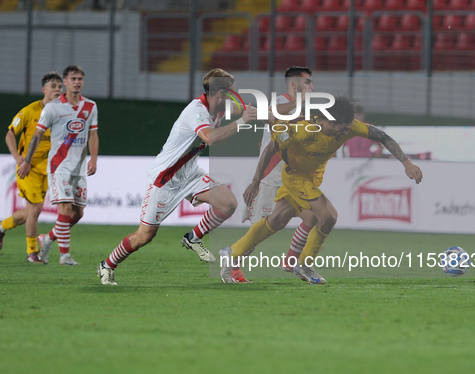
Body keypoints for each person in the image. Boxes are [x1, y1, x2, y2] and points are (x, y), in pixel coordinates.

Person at [220, 95, 423, 284]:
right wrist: (256, 180)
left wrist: (406, 163)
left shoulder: (349, 126)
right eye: (342, 129)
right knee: (329, 216)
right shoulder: (301, 129)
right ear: (327, 122)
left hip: (312, 177)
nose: (347, 132)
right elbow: (271, 149)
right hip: (295, 176)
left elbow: (382, 136)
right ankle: (304, 264)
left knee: (278, 220)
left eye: (348, 127)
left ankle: (232, 253)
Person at [96, 68, 258, 286]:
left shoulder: (218, 107)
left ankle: (193, 237)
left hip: (190, 173)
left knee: (228, 203)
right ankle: (108, 265)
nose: (234, 96)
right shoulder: (196, 110)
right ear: (220, 94)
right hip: (165, 178)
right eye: (231, 92)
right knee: (145, 235)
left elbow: (244, 110)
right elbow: (209, 138)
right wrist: (242, 121)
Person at [17, 65, 99, 266]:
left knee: (77, 213)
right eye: (73, 79)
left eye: (80, 78)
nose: (77, 82)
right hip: (59, 166)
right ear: (65, 82)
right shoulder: (52, 107)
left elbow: (93, 134)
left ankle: (48, 238)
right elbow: (37, 135)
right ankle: (64, 256)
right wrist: (27, 161)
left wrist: (94, 159)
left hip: (78, 168)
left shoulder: (90, 106)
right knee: (65, 209)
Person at [240, 66, 318, 275]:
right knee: (258, 232)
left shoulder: (300, 111)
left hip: (288, 180)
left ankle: (289, 261)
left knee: (312, 217)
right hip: (267, 177)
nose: (312, 86)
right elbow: (271, 115)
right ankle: (232, 264)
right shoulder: (282, 102)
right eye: (308, 82)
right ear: (294, 85)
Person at [0, 71, 63, 263]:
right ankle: (32, 252)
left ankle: (1, 226)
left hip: (46, 169)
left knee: (35, 211)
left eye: (59, 86)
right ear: (44, 90)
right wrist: (18, 158)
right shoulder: (30, 111)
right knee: (33, 211)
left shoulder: (62, 113)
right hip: (28, 167)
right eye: (53, 86)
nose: (57, 89)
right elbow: (9, 134)